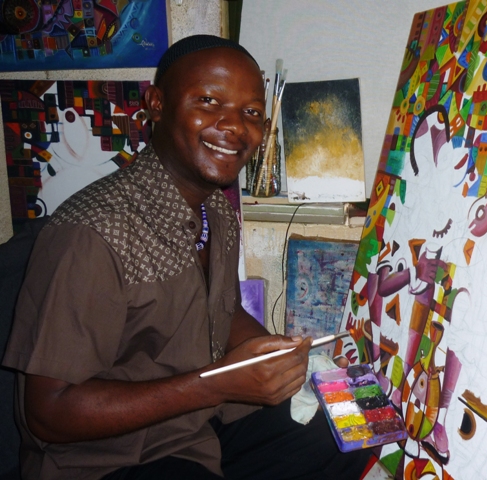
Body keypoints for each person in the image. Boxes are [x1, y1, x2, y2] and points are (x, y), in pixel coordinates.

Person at [2, 35, 371, 480]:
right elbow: (49, 412)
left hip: (195, 430)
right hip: (106, 462)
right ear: (156, 104)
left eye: (251, 112)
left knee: (347, 423)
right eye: (209, 100)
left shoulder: (215, 209)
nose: (235, 126)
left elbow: (222, 307)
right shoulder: (92, 234)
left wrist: (280, 356)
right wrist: (214, 384)